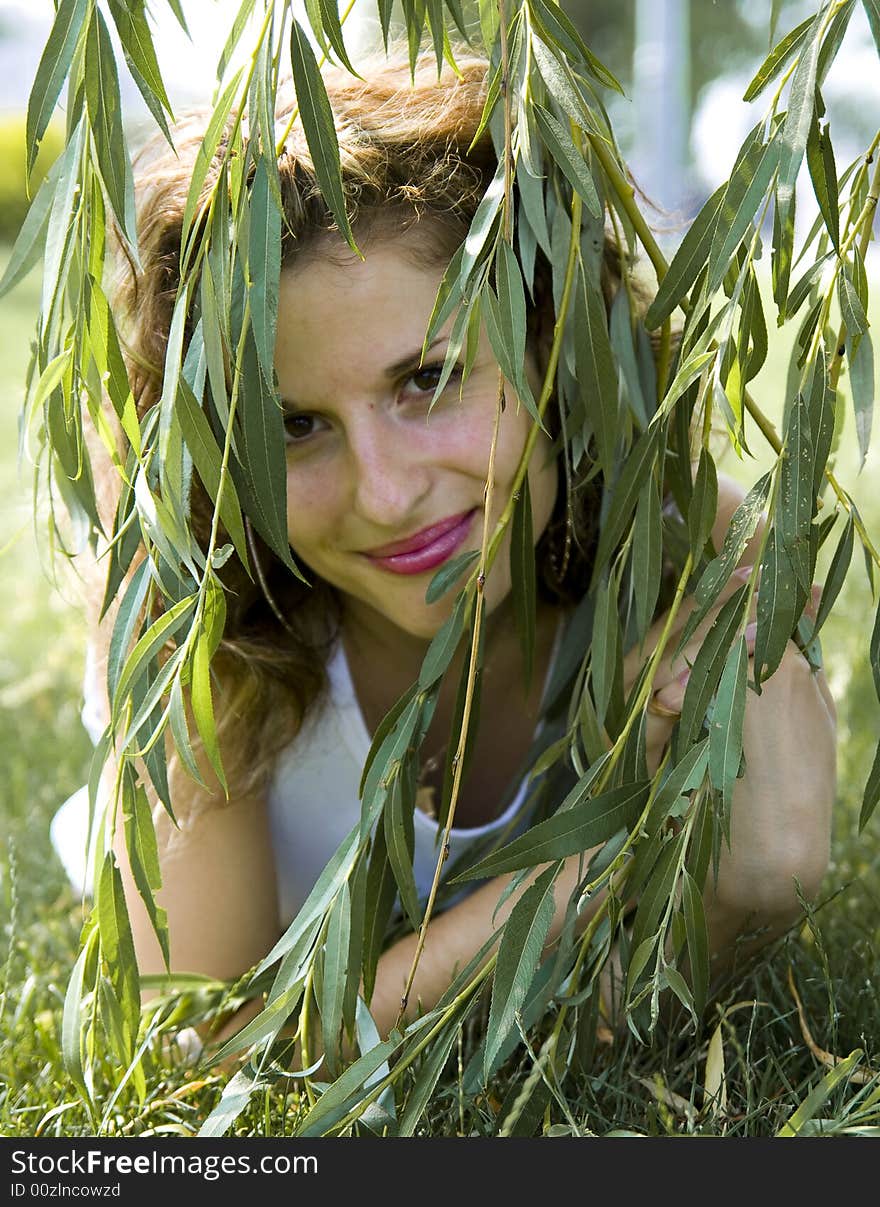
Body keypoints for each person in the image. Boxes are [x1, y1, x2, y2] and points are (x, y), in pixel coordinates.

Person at [52, 49, 837, 1066]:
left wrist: (756, 884)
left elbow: (654, 1000)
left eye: (428, 378)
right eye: (294, 426)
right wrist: (591, 860)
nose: (385, 493)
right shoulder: (195, 618)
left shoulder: (688, 556)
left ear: (553, 346)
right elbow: (203, 1054)